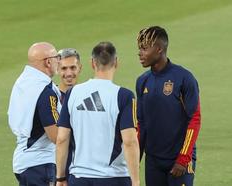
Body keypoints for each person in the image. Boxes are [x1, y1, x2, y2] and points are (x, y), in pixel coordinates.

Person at [56, 41, 140, 186]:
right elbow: (130, 141)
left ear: (92, 63)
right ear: (116, 62)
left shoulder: (73, 93)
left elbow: (62, 139)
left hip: (79, 178)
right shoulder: (124, 96)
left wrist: (60, 178)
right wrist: (136, 181)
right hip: (114, 178)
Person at [136, 26, 201, 186]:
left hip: (179, 160)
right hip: (153, 161)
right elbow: (142, 124)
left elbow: (194, 119)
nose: (140, 53)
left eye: (144, 49)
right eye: (139, 49)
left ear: (159, 49)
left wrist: (183, 158)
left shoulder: (184, 78)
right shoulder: (142, 81)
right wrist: (134, 158)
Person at [7, 42, 61, 186]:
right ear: (48, 62)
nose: (59, 61)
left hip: (23, 159)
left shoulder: (23, 82)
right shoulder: (45, 91)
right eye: (57, 57)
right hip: (40, 164)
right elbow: (55, 136)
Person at [56, 48, 82, 177]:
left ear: (80, 68)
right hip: (57, 165)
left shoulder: (86, 96)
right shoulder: (51, 98)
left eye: (73, 67)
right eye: (64, 68)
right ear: (57, 69)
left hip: (81, 167)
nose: (69, 73)